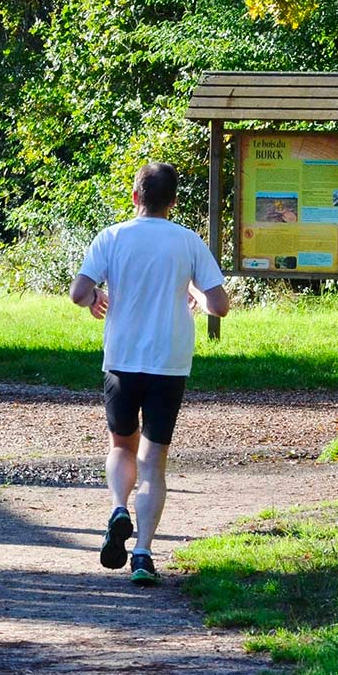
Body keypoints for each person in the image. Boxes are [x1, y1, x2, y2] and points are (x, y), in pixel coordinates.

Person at [69, 162, 228, 587]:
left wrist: (96, 297)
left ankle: (118, 507)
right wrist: (193, 292)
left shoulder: (112, 237)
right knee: (154, 459)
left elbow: (78, 293)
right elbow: (220, 304)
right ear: (173, 201)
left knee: (122, 446)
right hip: (169, 363)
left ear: (136, 196)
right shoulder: (188, 241)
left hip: (121, 360)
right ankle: (142, 554)